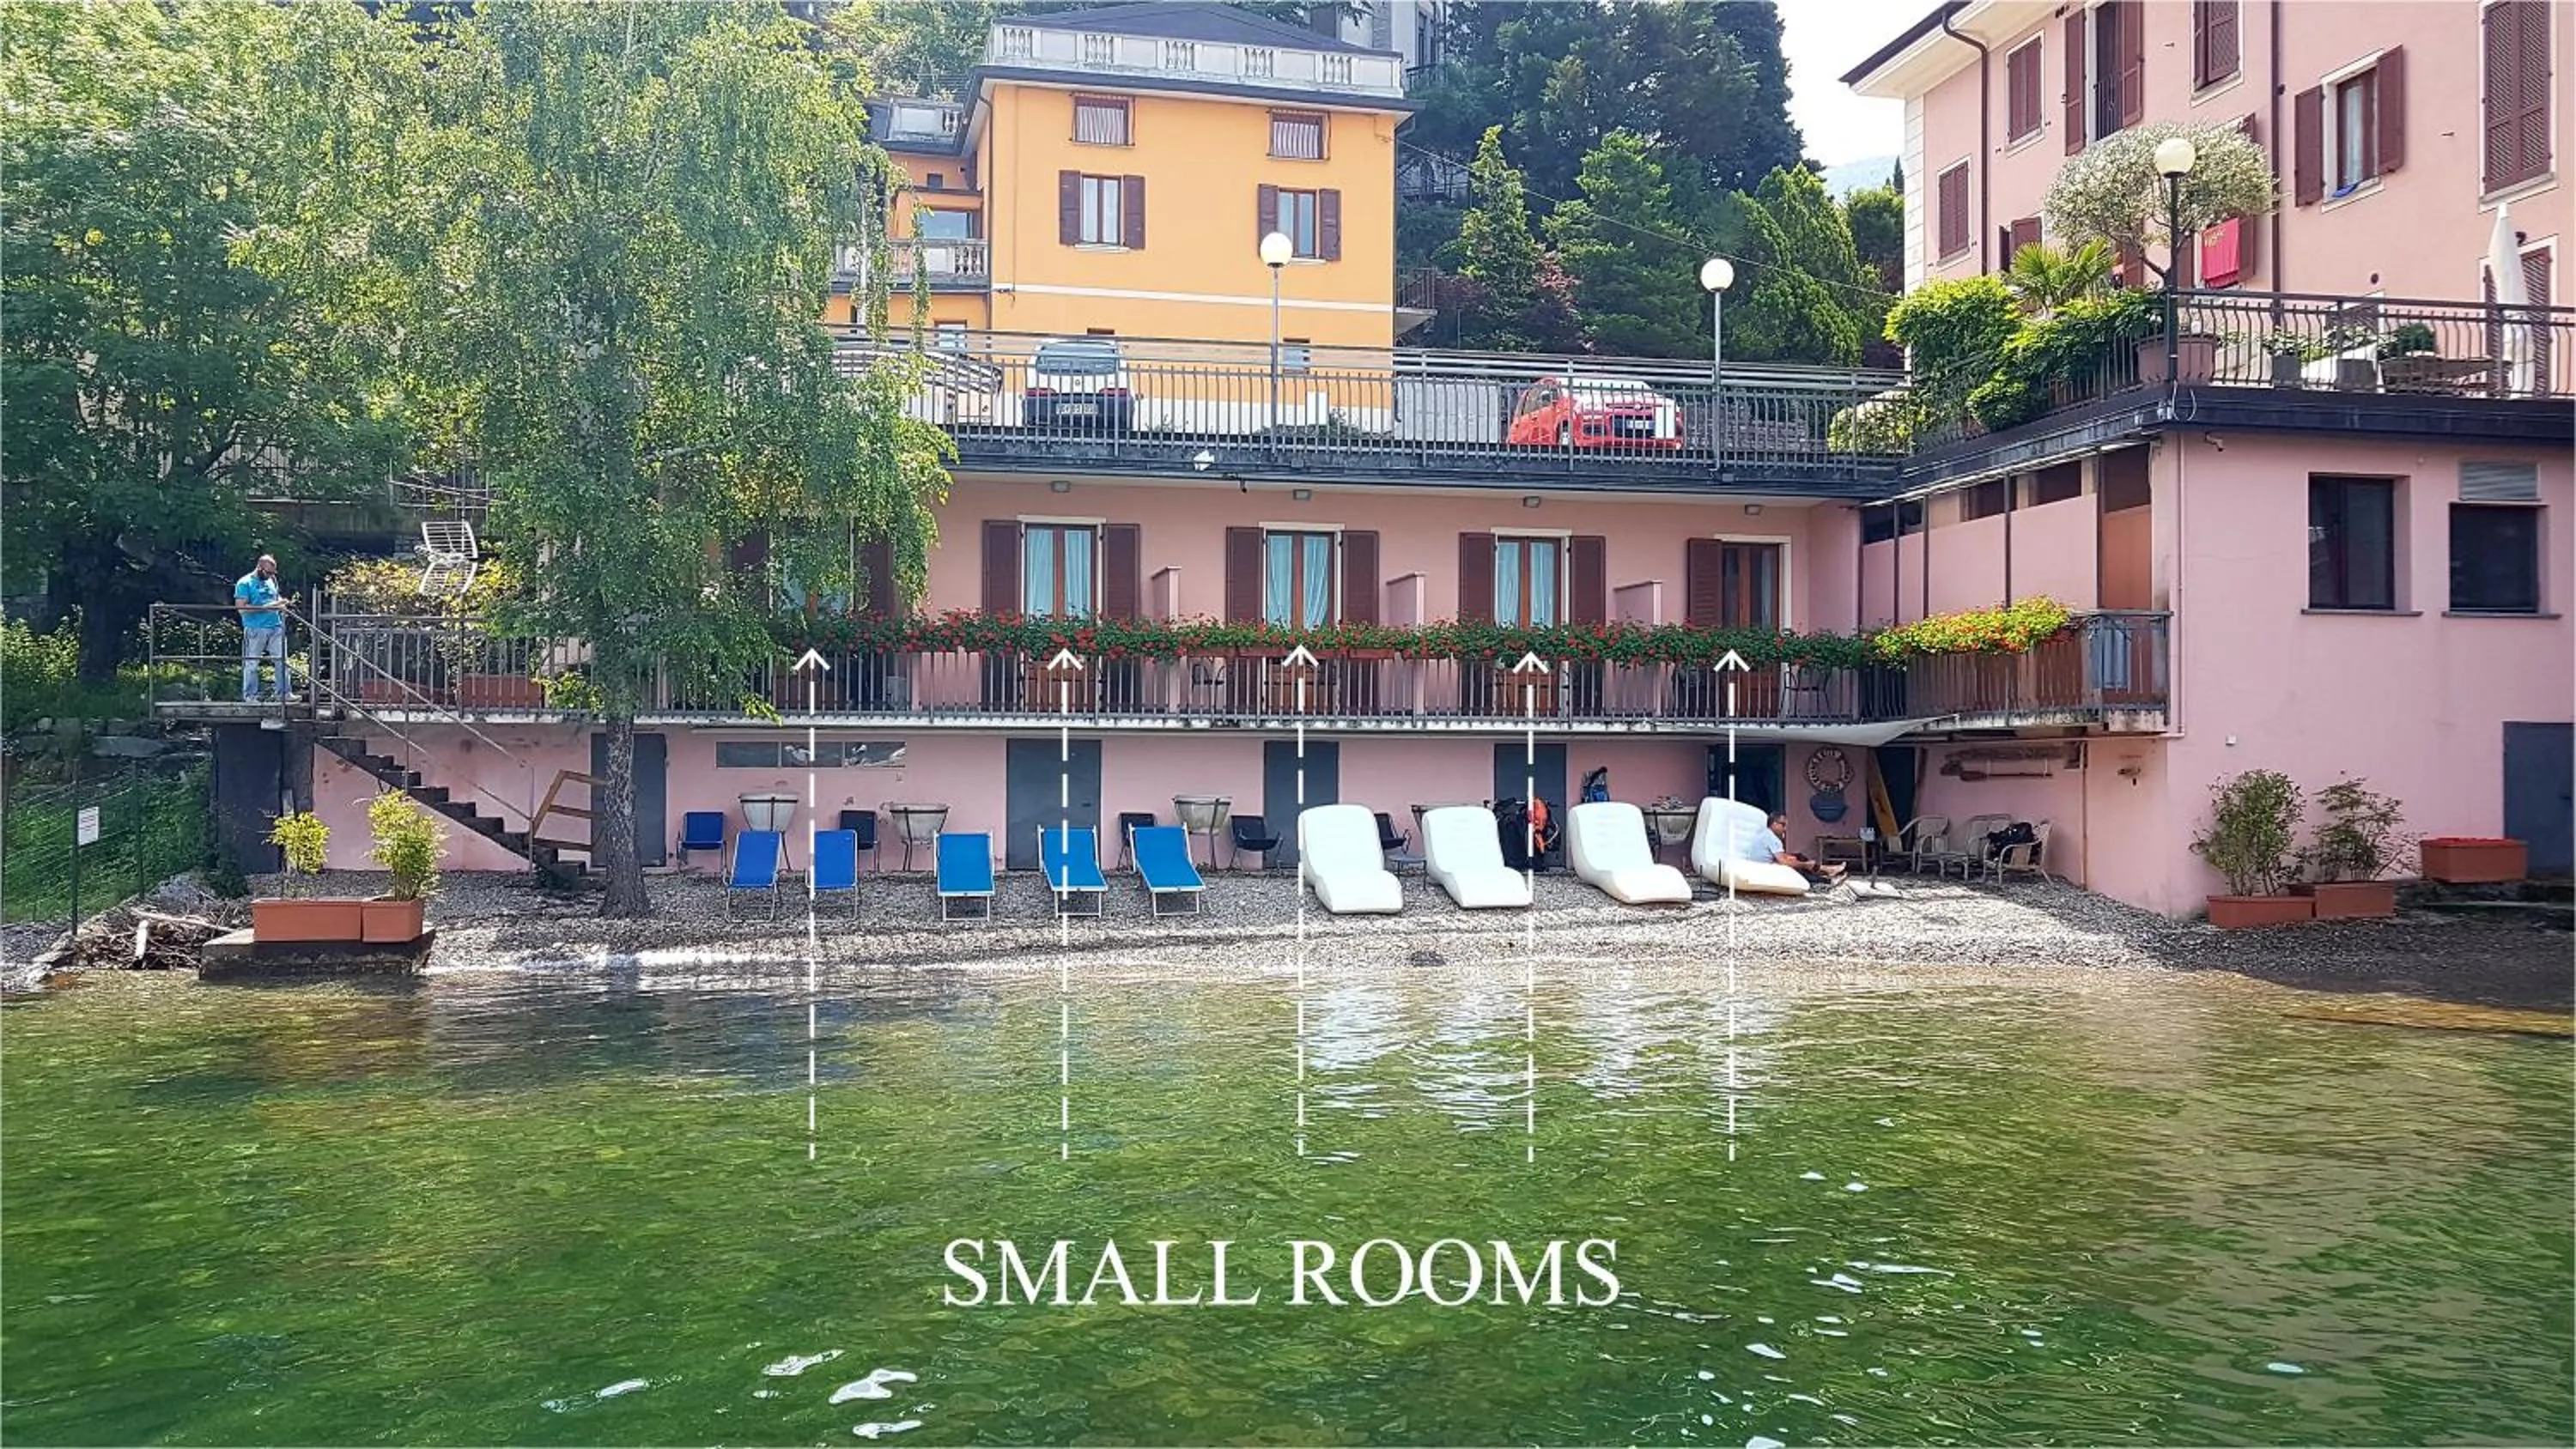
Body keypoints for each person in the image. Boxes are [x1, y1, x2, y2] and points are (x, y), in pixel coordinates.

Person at [234, 554, 289, 703]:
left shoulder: (271, 581)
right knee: (252, 663)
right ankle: (250, 696)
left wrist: (281, 603)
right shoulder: (245, 583)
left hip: (275, 625)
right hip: (255, 628)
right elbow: (241, 608)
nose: (271, 576)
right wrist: (269, 606)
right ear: (259, 568)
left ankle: (284, 693)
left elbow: (274, 598)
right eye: (268, 572)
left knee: (282, 661)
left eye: (273, 573)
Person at [1759, 813, 1846, 886]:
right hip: (1767, 869)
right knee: (1799, 866)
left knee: (1799, 856)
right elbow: (1783, 862)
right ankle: (1827, 880)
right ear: (1774, 824)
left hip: (1766, 865)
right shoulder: (1772, 838)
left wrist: (1789, 858)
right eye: (1783, 825)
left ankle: (1827, 871)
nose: (1785, 829)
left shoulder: (1765, 834)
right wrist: (1805, 864)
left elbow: (1774, 855)